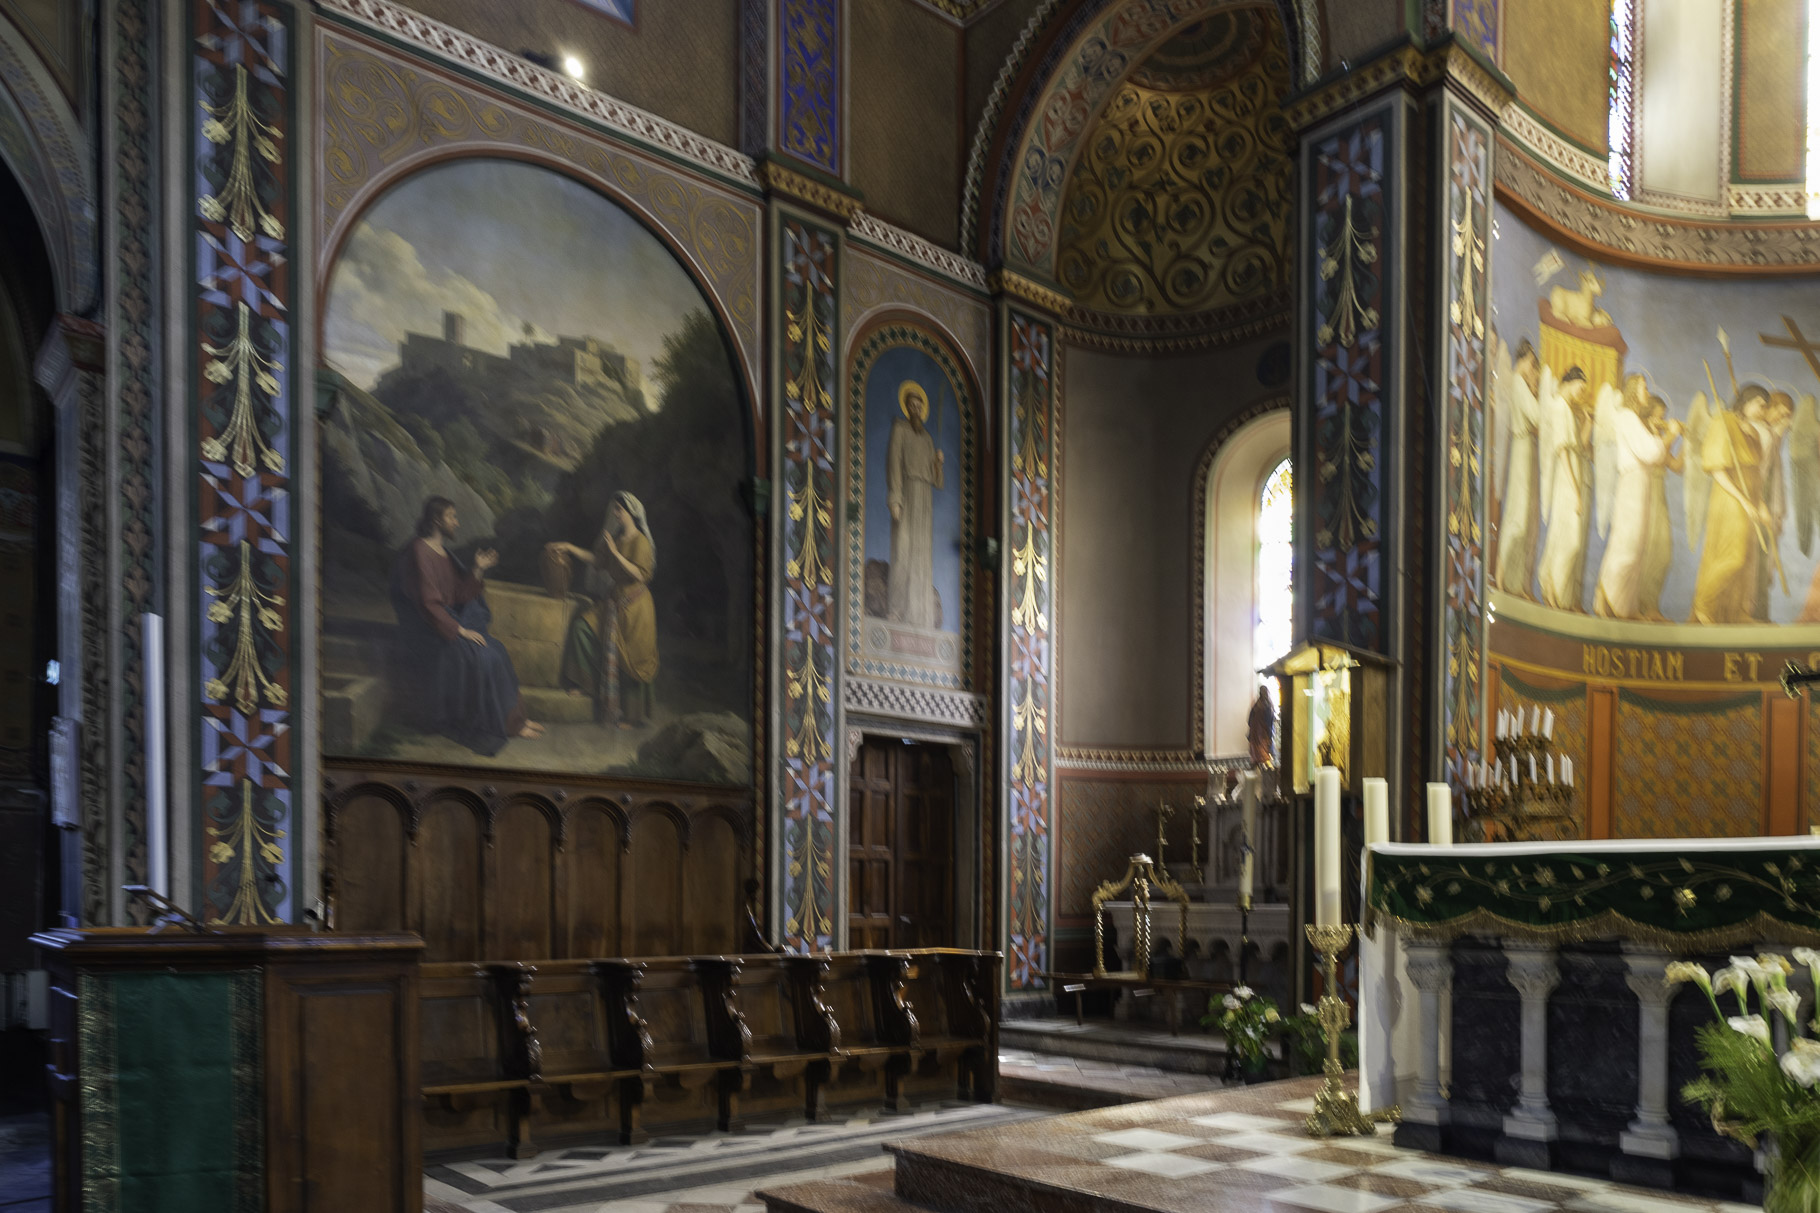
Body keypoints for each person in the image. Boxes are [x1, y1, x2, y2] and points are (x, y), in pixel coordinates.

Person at [389, 496, 542, 755]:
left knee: (497, 650)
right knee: (482, 656)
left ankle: (518, 720)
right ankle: (507, 725)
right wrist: (460, 630)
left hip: (446, 624)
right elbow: (428, 604)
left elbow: (460, 595)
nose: (457, 523)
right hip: (431, 632)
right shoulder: (419, 551)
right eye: (452, 517)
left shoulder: (444, 554)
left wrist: (478, 569)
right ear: (438, 519)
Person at [551, 491, 660, 728]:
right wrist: (570, 547)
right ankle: (588, 684)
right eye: (615, 509)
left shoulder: (640, 541)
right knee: (582, 626)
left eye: (619, 510)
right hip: (613, 603)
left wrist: (616, 555)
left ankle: (632, 716)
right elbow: (597, 560)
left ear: (631, 513)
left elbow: (641, 574)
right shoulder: (617, 540)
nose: (615, 514)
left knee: (631, 657)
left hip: (636, 609)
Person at [1690, 385, 1774, 624]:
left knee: (1746, 560)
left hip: (1749, 501)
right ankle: (1704, 603)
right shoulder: (1724, 423)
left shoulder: (1755, 433)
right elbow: (1717, 469)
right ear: (1745, 402)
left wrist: (1761, 504)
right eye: (1760, 404)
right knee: (1734, 556)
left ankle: (1736, 613)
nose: (1763, 410)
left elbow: (1756, 475)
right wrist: (1744, 501)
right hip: (1729, 500)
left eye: (1765, 406)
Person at [1594, 375, 1671, 620]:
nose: (1647, 392)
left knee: (1637, 547)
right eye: (1644, 388)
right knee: (1626, 544)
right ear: (1632, 391)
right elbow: (1649, 452)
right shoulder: (1626, 417)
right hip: (1632, 483)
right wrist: (1671, 435)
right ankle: (1606, 599)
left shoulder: (1633, 418)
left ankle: (1625, 607)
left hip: (1641, 482)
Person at [886, 380, 945, 628]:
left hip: (925, 499)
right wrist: (896, 499)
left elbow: (937, 482)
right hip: (907, 494)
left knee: (921, 556)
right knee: (902, 552)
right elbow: (894, 464)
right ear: (907, 407)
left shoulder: (928, 439)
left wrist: (938, 463)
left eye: (919, 405)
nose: (915, 409)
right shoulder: (900, 429)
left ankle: (919, 615)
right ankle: (896, 610)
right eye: (911, 405)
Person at [1537, 367, 1594, 611]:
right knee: (1569, 541)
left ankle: (1552, 591)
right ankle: (1558, 595)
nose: (1581, 394)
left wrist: (1588, 422)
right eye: (1580, 389)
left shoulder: (1567, 409)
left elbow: (1579, 447)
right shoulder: (1560, 407)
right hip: (1566, 477)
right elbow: (1562, 451)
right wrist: (1576, 491)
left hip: (1572, 475)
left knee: (1562, 536)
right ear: (1570, 382)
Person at [1494, 338, 1543, 600]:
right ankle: (1503, 579)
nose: (1533, 370)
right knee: (1518, 515)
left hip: (1530, 450)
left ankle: (1520, 584)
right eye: (1532, 364)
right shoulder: (1518, 382)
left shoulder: (1522, 385)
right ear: (1522, 360)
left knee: (1529, 518)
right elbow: (1536, 417)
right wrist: (1538, 391)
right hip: (1523, 449)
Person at [1635, 394, 1686, 621]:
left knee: (1663, 551)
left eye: (1663, 417)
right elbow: (1653, 456)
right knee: (1648, 549)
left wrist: (1686, 442)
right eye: (1658, 417)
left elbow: (1676, 466)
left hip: (1659, 494)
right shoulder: (1642, 436)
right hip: (1643, 492)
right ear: (1647, 416)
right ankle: (1643, 606)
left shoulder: (1657, 437)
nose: (1661, 421)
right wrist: (1672, 435)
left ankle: (1651, 603)